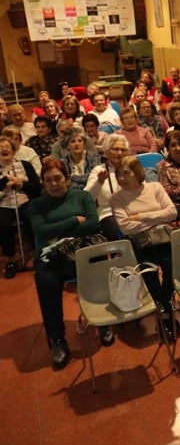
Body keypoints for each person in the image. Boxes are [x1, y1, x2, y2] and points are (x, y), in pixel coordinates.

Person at [30, 160, 111, 370]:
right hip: (53, 256)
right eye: (48, 180)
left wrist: (57, 230)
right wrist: (75, 220)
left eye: (58, 178)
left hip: (81, 249)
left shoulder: (82, 196)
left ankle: (102, 321)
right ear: (43, 183)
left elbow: (93, 224)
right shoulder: (37, 205)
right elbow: (40, 232)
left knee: (99, 266)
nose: (54, 184)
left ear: (67, 179)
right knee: (45, 280)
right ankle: (57, 339)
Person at [111, 156, 180, 342]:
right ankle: (165, 311)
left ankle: (165, 305)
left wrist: (140, 216)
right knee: (148, 270)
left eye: (126, 173)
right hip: (139, 241)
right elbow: (126, 227)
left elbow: (172, 212)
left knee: (171, 265)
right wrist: (157, 218)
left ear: (138, 172)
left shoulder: (155, 187)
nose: (121, 177)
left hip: (163, 236)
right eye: (118, 173)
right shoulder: (116, 198)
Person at [0, 135, 41, 277]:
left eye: (7, 147)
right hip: (3, 204)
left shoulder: (25, 165)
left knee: (31, 218)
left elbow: (37, 187)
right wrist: (4, 181)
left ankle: (38, 253)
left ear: (13, 150)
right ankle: (10, 259)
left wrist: (20, 183)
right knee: (3, 224)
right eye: (0, 148)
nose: (4, 149)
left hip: (25, 201)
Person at [84, 134, 129, 241]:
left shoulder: (131, 169)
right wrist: (99, 182)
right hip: (108, 213)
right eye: (116, 149)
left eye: (123, 150)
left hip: (133, 212)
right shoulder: (99, 170)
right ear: (107, 151)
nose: (119, 153)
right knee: (119, 230)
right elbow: (86, 198)